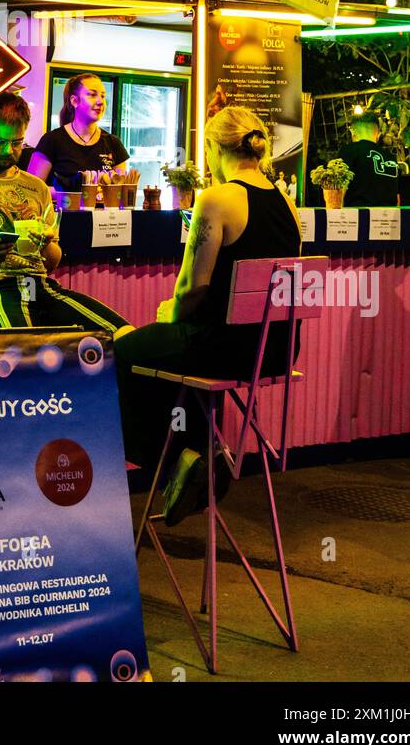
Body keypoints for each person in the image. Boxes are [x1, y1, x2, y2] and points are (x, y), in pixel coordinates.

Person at [115, 105, 301, 522]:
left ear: (216, 149)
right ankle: (198, 451)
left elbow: (192, 288)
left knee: (123, 352)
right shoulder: (288, 205)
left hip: (222, 347)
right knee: (170, 356)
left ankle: (172, 467)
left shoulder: (216, 199)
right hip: (276, 351)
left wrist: (170, 312)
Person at [0, 89, 129, 334]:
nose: (9, 151)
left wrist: (46, 243)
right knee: (19, 347)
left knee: (119, 334)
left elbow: (51, 262)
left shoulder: (37, 187)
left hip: (39, 285)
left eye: (17, 143)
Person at [27, 73, 129, 191]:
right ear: (74, 101)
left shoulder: (113, 143)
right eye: (92, 95)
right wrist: (73, 193)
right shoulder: (52, 140)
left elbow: (121, 190)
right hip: (63, 208)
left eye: (102, 96)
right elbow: (31, 189)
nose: (100, 101)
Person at [338, 113, 401, 207]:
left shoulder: (348, 151)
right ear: (378, 134)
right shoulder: (391, 158)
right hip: (388, 217)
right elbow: (398, 198)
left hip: (358, 217)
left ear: (352, 132)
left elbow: (339, 189)